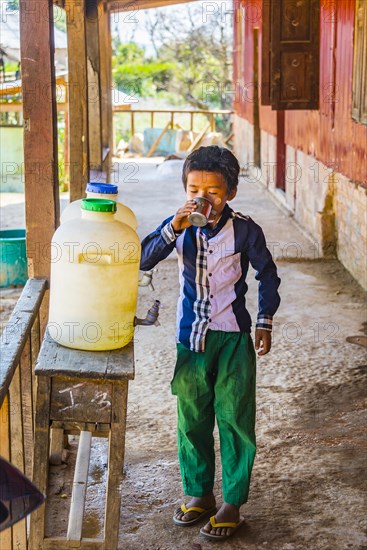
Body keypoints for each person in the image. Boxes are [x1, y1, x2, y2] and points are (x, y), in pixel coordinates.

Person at [140, 145, 281, 542]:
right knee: (192, 417)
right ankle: (199, 492)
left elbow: (267, 276)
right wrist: (175, 227)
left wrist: (265, 322)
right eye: (193, 188)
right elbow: (143, 259)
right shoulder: (178, 225)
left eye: (214, 191)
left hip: (233, 337)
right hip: (192, 338)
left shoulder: (246, 230)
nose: (203, 198)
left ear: (231, 192)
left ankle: (232, 503)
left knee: (235, 418)